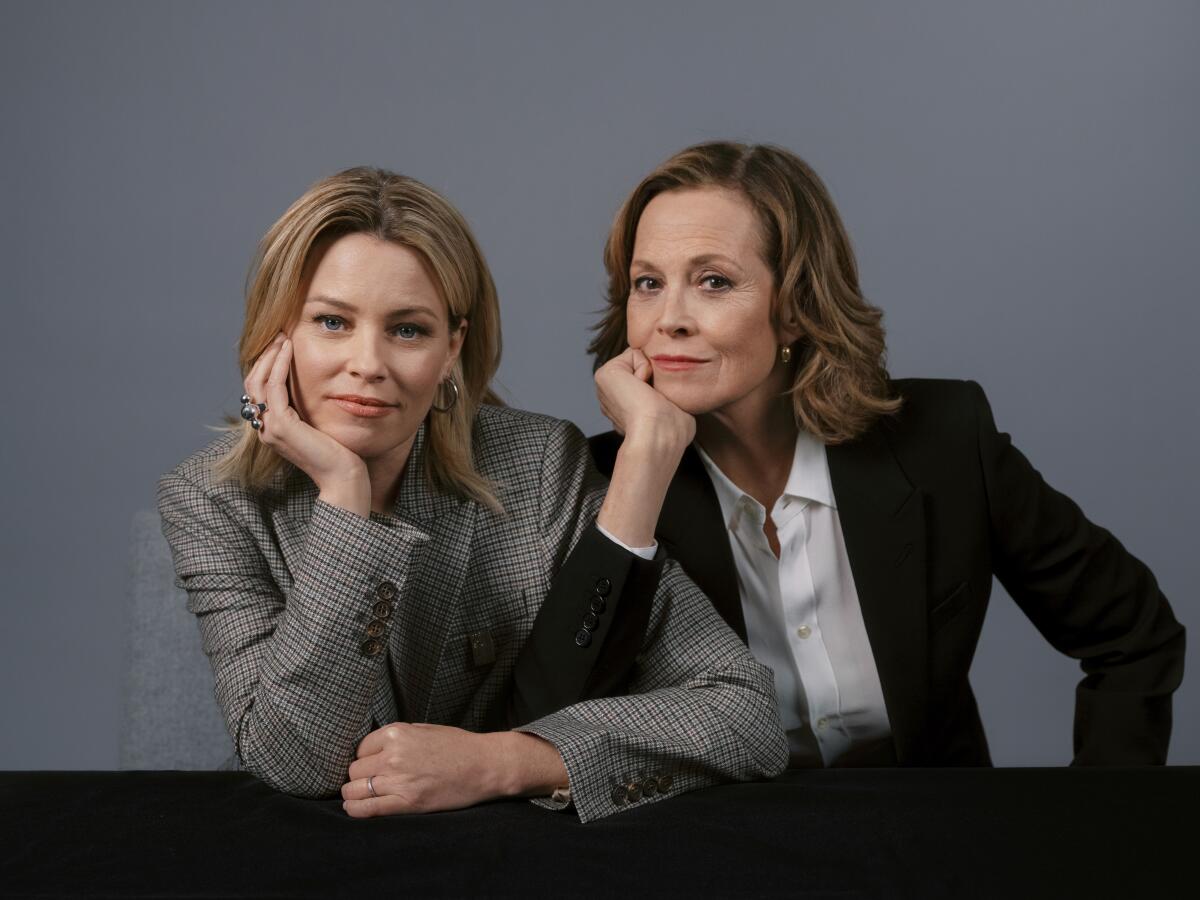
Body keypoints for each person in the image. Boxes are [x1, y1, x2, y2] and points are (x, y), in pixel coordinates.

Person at [517, 141, 1185, 767]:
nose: (670, 319)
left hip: (934, 852)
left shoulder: (945, 440)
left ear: (797, 309)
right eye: (648, 283)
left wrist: (1104, 825)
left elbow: (1134, 634)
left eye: (714, 282)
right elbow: (546, 725)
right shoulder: (603, 482)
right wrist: (646, 464)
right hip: (714, 858)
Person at [157, 166, 787, 823]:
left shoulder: (539, 464)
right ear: (277, 334)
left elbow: (741, 711)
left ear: (452, 348)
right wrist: (345, 496)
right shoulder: (211, 500)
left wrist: (506, 763)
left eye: (408, 330)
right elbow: (297, 762)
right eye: (333, 322)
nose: (368, 363)